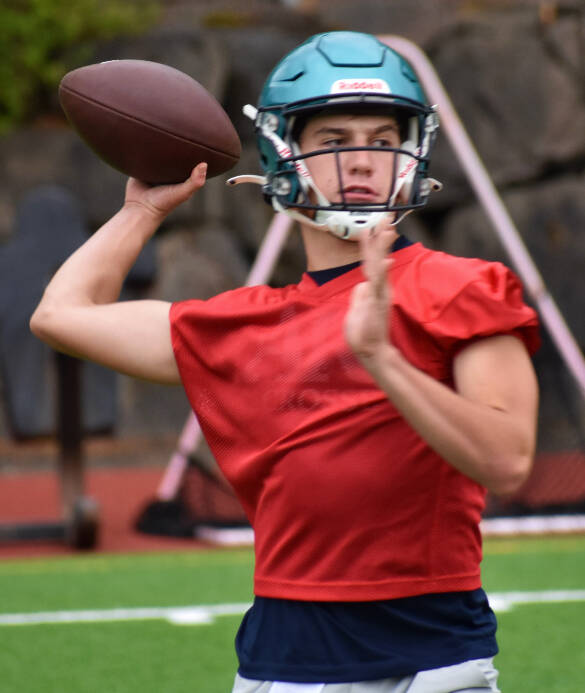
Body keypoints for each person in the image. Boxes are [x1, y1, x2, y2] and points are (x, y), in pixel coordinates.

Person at [31, 31, 539, 693]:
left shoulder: (464, 286)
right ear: (281, 153)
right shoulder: (240, 324)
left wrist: (382, 359)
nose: (361, 161)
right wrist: (141, 209)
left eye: (382, 141)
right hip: (282, 663)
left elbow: (506, 459)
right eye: (333, 142)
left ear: (410, 155)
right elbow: (60, 315)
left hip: (433, 662)